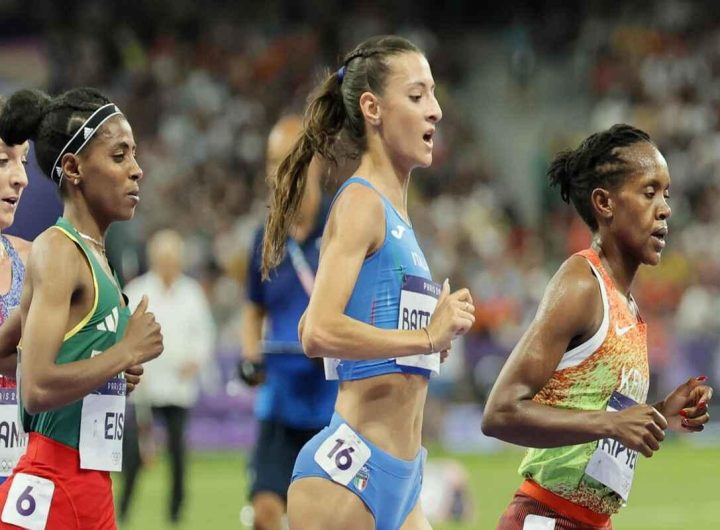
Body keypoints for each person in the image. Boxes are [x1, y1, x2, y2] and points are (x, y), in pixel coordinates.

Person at [262, 35, 476, 530]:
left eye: (435, 94)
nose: (436, 111)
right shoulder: (361, 204)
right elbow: (316, 330)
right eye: (418, 95)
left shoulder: (399, 215)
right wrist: (425, 337)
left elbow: (381, 339)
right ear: (372, 107)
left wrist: (426, 347)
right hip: (349, 476)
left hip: (404, 479)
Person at [481, 124, 713, 530]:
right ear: (605, 203)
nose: (665, 208)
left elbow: (601, 429)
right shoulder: (581, 282)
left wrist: (657, 414)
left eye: (667, 194)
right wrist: (613, 423)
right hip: (547, 517)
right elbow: (499, 412)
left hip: (592, 522)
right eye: (649, 191)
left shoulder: (627, 306)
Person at [0, 87, 163, 529]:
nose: (136, 170)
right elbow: (35, 388)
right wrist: (123, 354)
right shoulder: (58, 250)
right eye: (119, 156)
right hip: (52, 488)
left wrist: (104, 371)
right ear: (73, 168)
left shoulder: (96, 258)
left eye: (134, 155)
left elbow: (5, 352)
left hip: (87, 486)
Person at [240, 115, 337, 530]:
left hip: (334, 408)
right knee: (264, 513)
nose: (276, 172)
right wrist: (249, 356)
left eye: (286, 159)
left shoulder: (344, 225)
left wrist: (333, 342)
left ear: (313, 160)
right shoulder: (264, 239)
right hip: (279, 402)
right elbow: (253, 309)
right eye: (271, 161)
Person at [119, 228, 215, 525]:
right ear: (154, 259)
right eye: (163, 257)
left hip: (178, 389)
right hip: (145, 389)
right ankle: (122, 511)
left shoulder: (192, 293)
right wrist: (131, 365)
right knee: (134, 455)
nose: (168, 263)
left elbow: (204, 334)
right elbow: (124, 333)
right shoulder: (137, 291)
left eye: (173, 257)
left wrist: (196, 360)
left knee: (177, 455)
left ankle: (175, 513)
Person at [0, 96, 32, 484]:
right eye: (3, 160)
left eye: (23, 160)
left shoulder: (37, 259)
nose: (21, 176)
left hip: (26, 488)